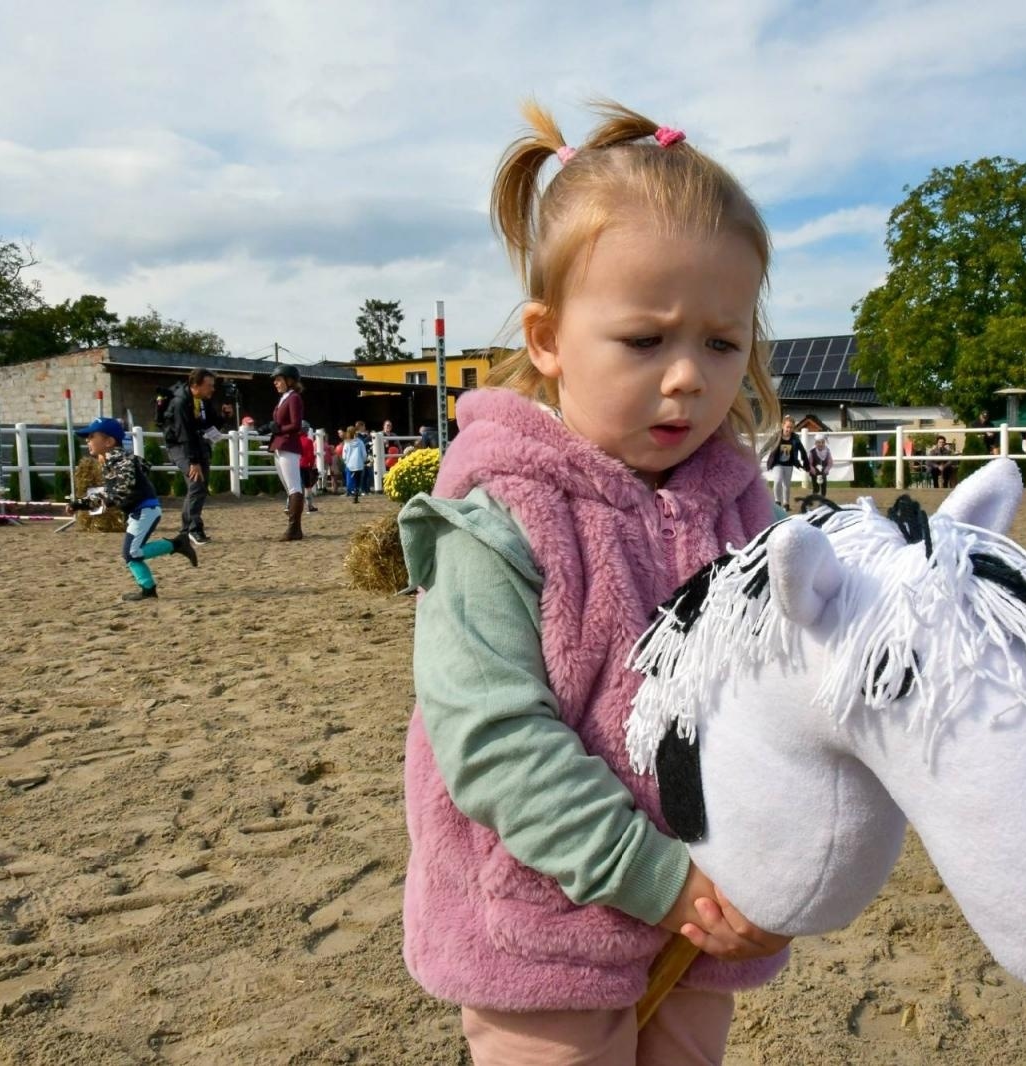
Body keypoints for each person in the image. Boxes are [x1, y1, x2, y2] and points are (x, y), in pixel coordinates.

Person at [397, 100, 790, 1064]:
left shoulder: (742, 510)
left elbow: (792, 701)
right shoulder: (494, 520)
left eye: (722, 343)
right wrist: (657, 878)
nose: (689, 377)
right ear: (547, 337)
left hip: (706, 925)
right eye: (646, 340)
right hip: (541, 936)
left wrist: (781, 873)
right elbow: (492, 742)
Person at [67, 417, 197, 601]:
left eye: (91, 436)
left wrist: (92, 503)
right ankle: (148, 589)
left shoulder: (121, 461)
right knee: (131, 554)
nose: (87, 440)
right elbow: (113, 491)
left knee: (132, 553)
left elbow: (121, 491)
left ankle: (177, 545)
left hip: (146, 510)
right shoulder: (113, 462)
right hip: (139, 512)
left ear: (109, 441)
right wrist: (80, 504)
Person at [162, 368, 221, 545]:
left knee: (201, 488)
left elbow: (211, 425)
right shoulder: (181, 403)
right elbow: (183, 434)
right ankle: (189, 530)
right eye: (209, 385)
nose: (212, 389)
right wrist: (193, 462)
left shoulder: (202, 401)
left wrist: (224, 416)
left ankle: (192, 528)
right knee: (196, 484)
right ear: (196, 385)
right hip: (181, 447)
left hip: (197, 444)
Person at [254, 365, 306, 541]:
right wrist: (270, 426)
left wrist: (278, 428)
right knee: (289, 488)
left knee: (293, 487)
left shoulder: (294, 398)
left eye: (278, 379)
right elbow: (280, 423)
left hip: (288, 445)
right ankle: (294, 528)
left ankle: (294, 529)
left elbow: (296, 424)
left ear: (289, 380)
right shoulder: (284, 398)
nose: (275, 383)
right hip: (280, 444)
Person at [765, 415, 811, 510]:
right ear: (783, 426)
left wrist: (806, 463)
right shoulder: (777, 437)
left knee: (786, 484)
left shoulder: (795, 439)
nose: (789, 429)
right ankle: (777, 501)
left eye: (791, 427)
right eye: (787, 427)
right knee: (777, 481)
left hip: (789, 464)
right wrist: (759, 455)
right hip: (777, 463)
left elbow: (802, 451)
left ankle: (786, 503)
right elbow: (767, 446)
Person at [342, 423, 369, 500]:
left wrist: (345, 461)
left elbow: (344, 454)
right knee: (358, 480)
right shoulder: (360, 442)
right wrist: (364, 460)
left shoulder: (347, 443)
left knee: (350, 479)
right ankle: (357, 491)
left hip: (350, 464)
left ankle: (352, 491)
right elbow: (364, 453)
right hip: (359, 464)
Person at [298, 423, 320, 513]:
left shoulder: (294, 440)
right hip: (304, 466)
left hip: (294, 465)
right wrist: (311, 466)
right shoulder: (308, 441)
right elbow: (311, 456)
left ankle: (290, 506)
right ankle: (309, 506)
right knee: (307, 486)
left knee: (294, 487)